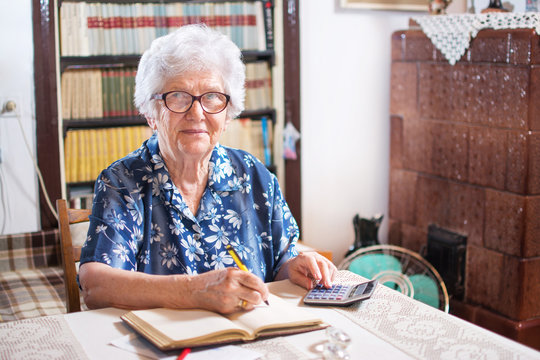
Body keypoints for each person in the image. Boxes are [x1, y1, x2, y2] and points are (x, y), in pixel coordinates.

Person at [79, 24, 336, 314]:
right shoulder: (122, 181)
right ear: (151, 114)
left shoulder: (254, 176)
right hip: (165, 343)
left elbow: (280, 264)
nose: (197, 113)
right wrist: (194, 291)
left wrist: (295, 267)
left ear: (228, 115)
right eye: (178, 96)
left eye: (212, 96)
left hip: (249, 338)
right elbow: (95, 284)